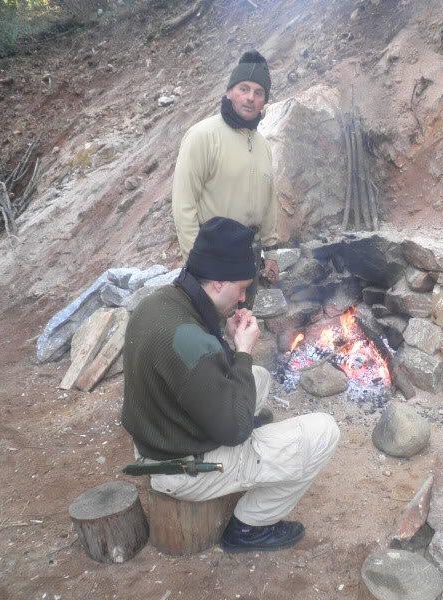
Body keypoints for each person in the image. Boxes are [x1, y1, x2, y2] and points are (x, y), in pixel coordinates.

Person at [121, 217, 339, 552]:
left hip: (161, 431)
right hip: (181, 466)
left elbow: (197, 365)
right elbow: (235, 430)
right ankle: (249, 528)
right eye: (241, 288)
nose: (242, 299)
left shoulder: (162, 302)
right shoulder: (190, 340)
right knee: (324, 432)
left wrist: (228, 340)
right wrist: (243, 351)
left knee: (259, 378)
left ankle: (243, 449)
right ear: (219, 283)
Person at [171, 50, 280, 303]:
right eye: (244, 89)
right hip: (214, 253)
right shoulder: (202, 136)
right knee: (213, 323)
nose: (250, 97)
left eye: (259, 92)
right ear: (229, 92)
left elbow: (269, 202)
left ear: (264, 101)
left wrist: (271, 252)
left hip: (250, 256)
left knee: (243, 319)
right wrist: (197, 263)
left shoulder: (263, 145)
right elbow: (183, 205)